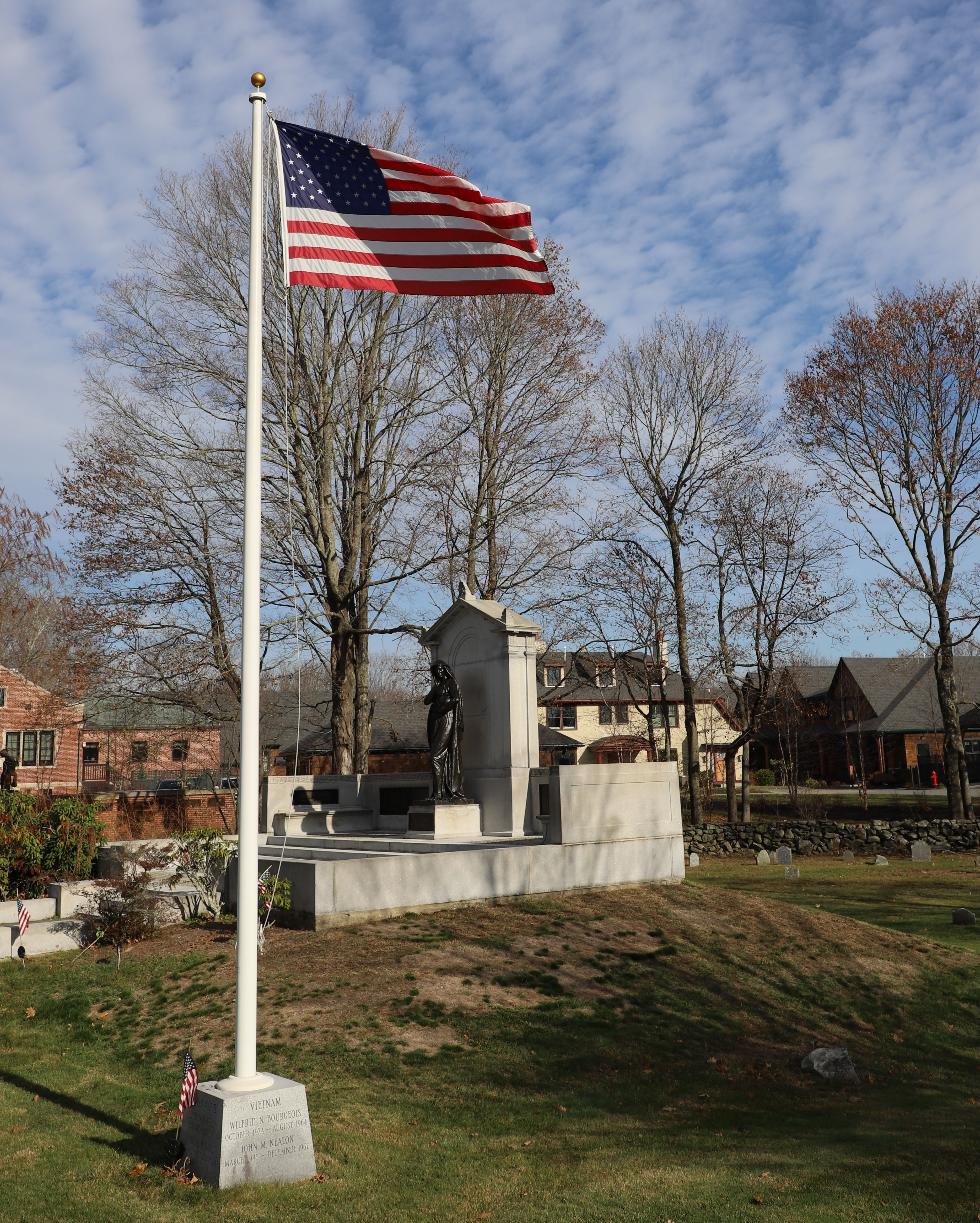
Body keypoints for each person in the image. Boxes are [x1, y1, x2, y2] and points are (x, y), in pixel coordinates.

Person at [424, 661, 465, 801]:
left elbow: (456, 699)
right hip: (435, 720)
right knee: (437, 755)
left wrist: (442, 706)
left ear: (445, 670)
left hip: (447, 718)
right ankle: (438, 792)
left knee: (436, 755)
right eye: (435, 671)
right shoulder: (437, 686)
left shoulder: (451, 683)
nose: (438, 672)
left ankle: (438, 793)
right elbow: (426, 700)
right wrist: (435, 691)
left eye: (440, 669)